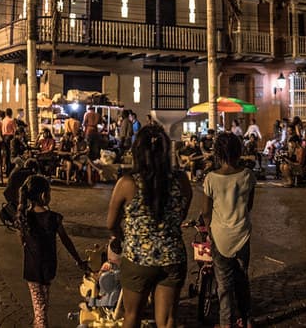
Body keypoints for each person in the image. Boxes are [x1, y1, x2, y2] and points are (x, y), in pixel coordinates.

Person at [107, 125, 192, 328]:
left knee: (132, 315)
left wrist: (121, 236)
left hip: (138, 258)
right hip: (172, 256)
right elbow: (181, 214)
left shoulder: (127, 183)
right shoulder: (181, 181)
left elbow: (111, 223)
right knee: (168, 320)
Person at [18, 175, 90, 328]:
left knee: (41, 308)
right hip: (48, 268)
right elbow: (66, 241)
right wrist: (78, 260)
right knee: (42, 309)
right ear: (44, 195)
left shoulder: (24, 216)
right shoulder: (53, 218)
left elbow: (23, 241)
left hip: (32, 270)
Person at [200, 132, 256, 328]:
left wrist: (210, 230)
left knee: (224, 287)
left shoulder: (210, 179)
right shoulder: (248, 176)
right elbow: (249, 206)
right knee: (242, 281)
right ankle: (247, 319)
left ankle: (226, 323)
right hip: (242, 235)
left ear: (217, 153)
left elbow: (206, 212)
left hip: (219, 237)